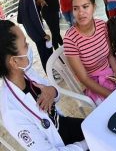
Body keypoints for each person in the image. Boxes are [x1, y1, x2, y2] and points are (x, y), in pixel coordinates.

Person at [0, 20, 88, 151]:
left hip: (62, 124)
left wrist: (52, 92)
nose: (29, 46)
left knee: (101, 128)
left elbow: (55, 94)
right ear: (14, 61)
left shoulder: (27, 73)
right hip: (60, 144)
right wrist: (85, 144)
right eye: (24, 44)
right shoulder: (11, 112)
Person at [63, 0, 116, 105]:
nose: (80, 13)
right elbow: (84, 78)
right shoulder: (70, 39)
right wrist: (110, 95)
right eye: (75, 8)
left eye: (85, 6)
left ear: (94, 7)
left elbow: (109, 55)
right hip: (94, 83)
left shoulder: (101, 25)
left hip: (110, 72)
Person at [17, 0, 53, 71]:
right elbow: (35, 18)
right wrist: (43, 34)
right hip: (38, 33)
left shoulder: (21, 1)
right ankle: (52, 73)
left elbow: (19, 19)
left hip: (32, 33)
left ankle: (50, 72)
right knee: (47, 53)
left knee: (42, 54)